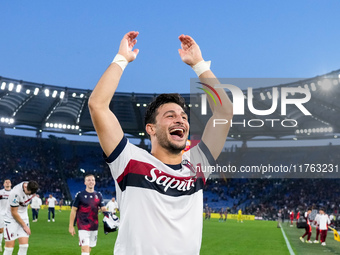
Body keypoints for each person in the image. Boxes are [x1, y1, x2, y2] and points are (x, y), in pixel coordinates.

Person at [88, 31, 232, 254]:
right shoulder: (129, 160)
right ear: (151, 129)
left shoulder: (197, 163)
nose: (181, 120)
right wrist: (121, 59)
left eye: (184, 116)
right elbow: (98, 105)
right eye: (170, 115)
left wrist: (199, 64)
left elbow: (224, 111)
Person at [69, 174, 107, 255]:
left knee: (88, 249)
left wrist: (108, 217)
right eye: (89, 180)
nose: (91, 182)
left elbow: (103, 208)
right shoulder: (80, 195)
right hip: (83, 226)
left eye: (93, 180)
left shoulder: (98, 195)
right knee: (85, 249)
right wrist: (71, 226)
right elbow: (73, 210)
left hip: (94, 226)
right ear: (85, 182)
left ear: (95, 182)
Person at [3, 181, 39, 255]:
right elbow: (14, 213)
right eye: (28, 193)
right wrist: (24, 226)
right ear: (25, 187)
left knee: (24, 246)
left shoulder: (31, 187)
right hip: (11, 219)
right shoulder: (15, 193)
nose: (29, 195)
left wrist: (24, 223)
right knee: (9, 249)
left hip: (24, 218)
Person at [0, 179, 12, 252]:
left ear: (11, 184)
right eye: (6, 182)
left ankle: (7, 246)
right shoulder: (0, 192)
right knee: (1, 230)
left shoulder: (13, 193)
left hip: (11, 214)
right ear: (3, 184)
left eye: (9, 182)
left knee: (9, 230)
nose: (7, 183)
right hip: (1, 213)